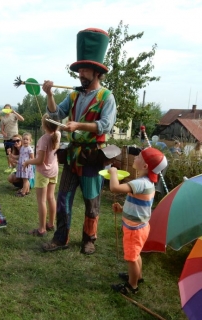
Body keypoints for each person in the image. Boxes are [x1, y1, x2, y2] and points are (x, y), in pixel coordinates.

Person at [42, 28, 117, 254]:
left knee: (91, 201)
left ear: (96, 72)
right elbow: (56, 116)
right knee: (63, 197)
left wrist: (79, 126)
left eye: (85, 70)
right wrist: (49, 95)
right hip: (73, 155)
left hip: (93, 156)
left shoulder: (106, 97)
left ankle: (89, 239)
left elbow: (105, 125)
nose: (80, 74)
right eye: (79, 70)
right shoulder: (73, 95)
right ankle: (61, 237)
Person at [108, 147, 167, 294]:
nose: (135, 158)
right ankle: (137, 276)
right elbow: (140, 206)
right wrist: (123, 209)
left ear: (145, 166)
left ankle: (132, 286)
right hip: (140, 226)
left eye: (139, 157)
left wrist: (113, 172)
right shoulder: (146, 183)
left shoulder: (141, 183)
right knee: (136, 254)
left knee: (131, 258)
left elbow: (114, 187)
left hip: (134, 230)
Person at [22, 114, 61, 236]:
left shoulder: (44, 139)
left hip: (43, 172)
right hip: (54, 170)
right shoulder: (57, 134)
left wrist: (27, 161)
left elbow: (40, 161)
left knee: (42, 200)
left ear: (44, 125)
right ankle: (51, 224)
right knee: (51, 197)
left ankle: (42, 229)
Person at [0, 104, 24, 172]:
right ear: (4, 110)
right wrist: (3, 133)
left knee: (15, 152)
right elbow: (2, 129)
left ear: (10, 109)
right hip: (7, 138)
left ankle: (16, 167)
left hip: (15, 138)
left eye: (8, 108)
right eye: (6, 109)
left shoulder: (14, 116)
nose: (7, 110)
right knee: (8, 153)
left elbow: (22, 119)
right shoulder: (3, 118)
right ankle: (9, 167)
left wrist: (15, 112)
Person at [15, 132, 34, 197]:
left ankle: (23, 192)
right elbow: (21, 155)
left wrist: (27, 163)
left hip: (26, 167)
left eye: (27, 139)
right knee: (24, 179)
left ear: (30, 141)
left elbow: (32, 158)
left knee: (25, 180)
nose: (25, 140)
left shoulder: (30, 149)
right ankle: (27, 190)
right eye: (24, 139)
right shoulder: (22, 147)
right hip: (22, 166)